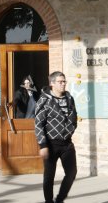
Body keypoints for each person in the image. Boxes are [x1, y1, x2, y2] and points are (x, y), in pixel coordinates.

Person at [34, 71, 77, 203]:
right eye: (60, 82)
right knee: (49, 176)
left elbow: (74, 117)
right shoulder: (44, 100)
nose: (63, 84)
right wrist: (43, 145)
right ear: (52, 83)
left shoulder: (69, 98)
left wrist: (70, 130)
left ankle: (59, 199)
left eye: (64, 81)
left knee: (71, 173)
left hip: (67, 143)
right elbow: (38, 124)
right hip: (51, 144)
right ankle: (49, 201)